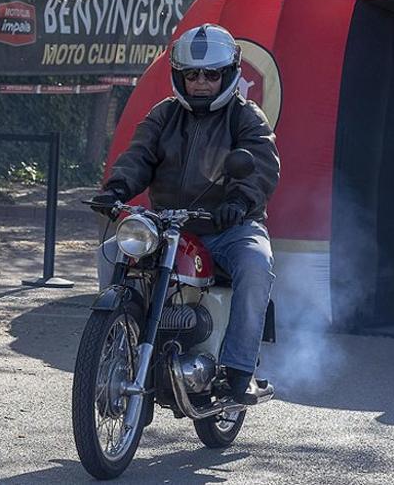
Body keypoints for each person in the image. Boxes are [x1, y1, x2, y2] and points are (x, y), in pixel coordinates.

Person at [91, 23, 280, 404]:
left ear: (228, 74)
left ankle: (240, 371)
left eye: (211, 74)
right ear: (179, 75)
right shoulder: (164, 114)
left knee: (256, 265)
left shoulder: (246, 116)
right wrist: (116, 189)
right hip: (169, 223)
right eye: (191, 74)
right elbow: (138, 156)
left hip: (230, 224)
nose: (201, 82)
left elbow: (261, 164)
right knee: (110, 250)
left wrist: (239, 202)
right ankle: (116, 340)